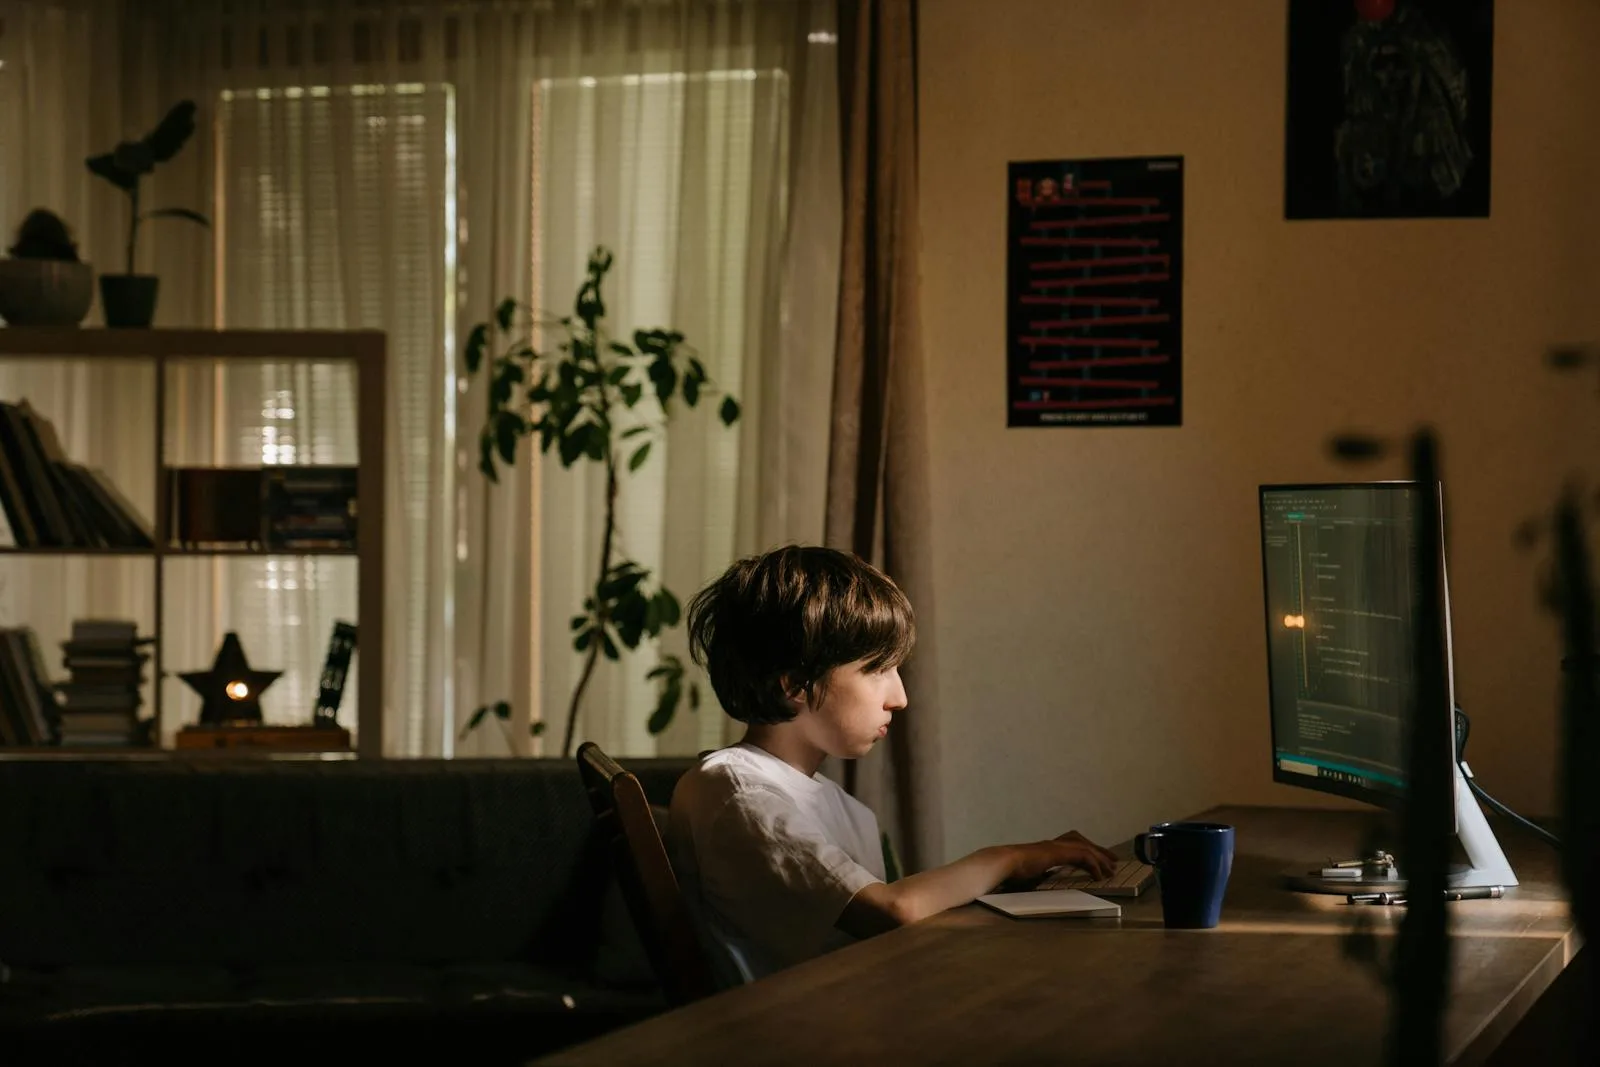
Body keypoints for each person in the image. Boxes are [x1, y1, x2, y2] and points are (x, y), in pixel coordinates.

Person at [666, 545, 1118, 987]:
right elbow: (893, 912)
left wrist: (1020, 877)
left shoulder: (822, 799)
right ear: (795, 685)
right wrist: (1011, 857)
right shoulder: (738, 790)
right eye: (878, 669)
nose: (899, 698)